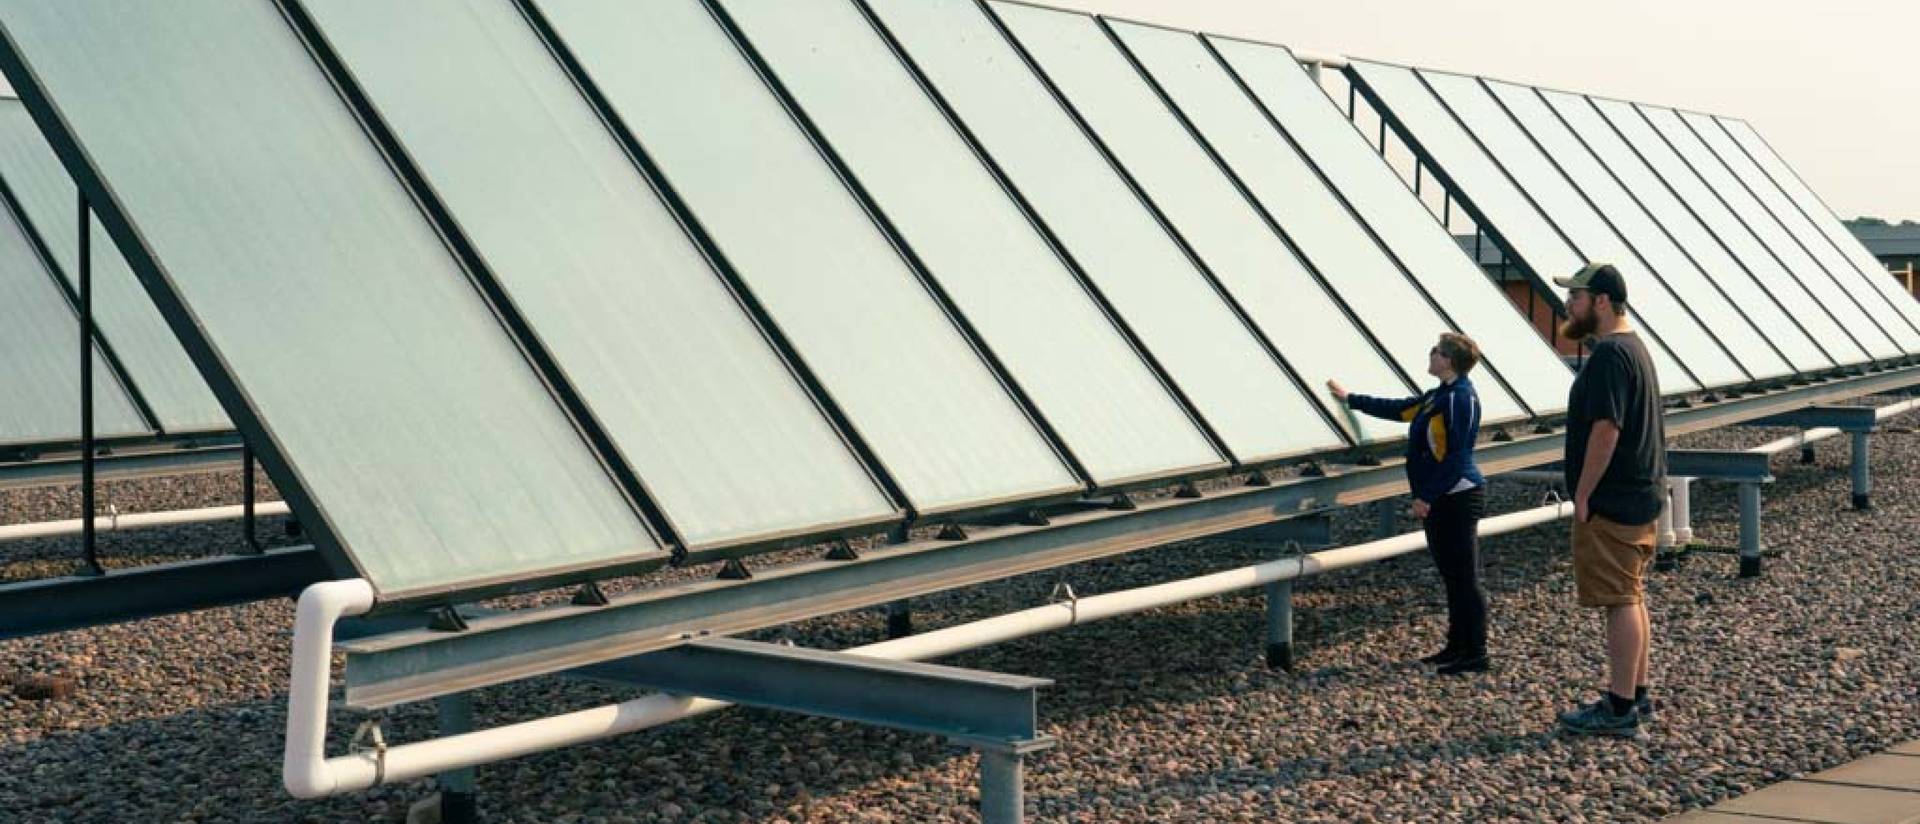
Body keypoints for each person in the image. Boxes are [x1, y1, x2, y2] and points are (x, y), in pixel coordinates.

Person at [1327, 332, 1488, 675]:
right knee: (1451, 575)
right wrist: (1351, 399)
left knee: (1464, 576)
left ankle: (1475, 652)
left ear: (1450, 361)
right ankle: (1455, 646)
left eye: (1437, 351)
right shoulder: (1437, 396)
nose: (1430, 354)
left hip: (1457, 496)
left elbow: (1458, 456)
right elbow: (1400, 410)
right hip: (1441, 496)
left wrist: (1427, 497)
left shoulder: (1461, 399)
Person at [1551, 263, 1666, 739]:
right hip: (1639, 493)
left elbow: (1607, 427)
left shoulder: (1608, 357)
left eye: (1575, 296)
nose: (1568, 305)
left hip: (1614, 498)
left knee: (1619, 599)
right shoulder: (1635, 349)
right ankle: (1634, 695)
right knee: (1631, 595)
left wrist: (1583, 491)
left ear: (1601, 302)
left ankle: (1618, 709)